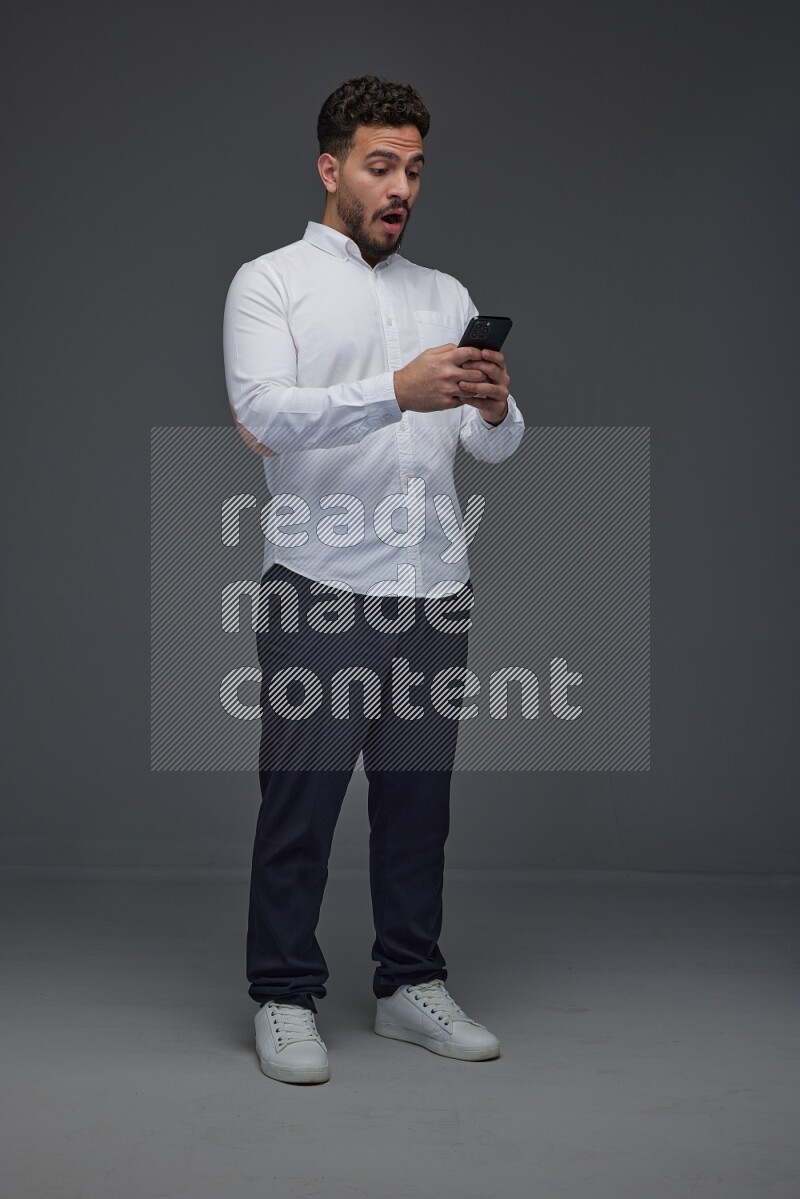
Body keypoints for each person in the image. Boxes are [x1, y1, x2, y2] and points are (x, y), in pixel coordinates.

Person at [223, 75, 525, 1085]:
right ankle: (281, 992)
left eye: (414, 169)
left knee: (415, 800)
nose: (401, 186)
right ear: (331, 169)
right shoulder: (269, 284)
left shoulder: (442, 295)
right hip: (319, 582)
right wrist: (391, 392)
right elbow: (265, 415)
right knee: (300, 799)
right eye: (380, 166)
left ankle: (407, 983)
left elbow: (491, 451)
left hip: (433, 587)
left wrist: (490, 406)